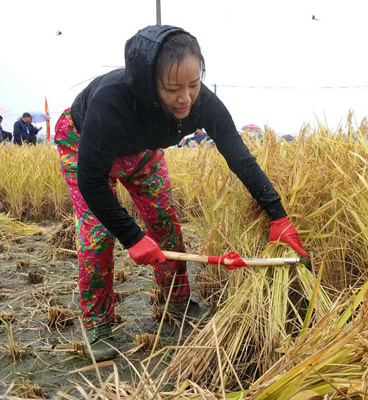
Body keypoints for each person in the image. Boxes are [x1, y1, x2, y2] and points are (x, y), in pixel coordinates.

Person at [54, 25, 306, 362]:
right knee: (99, 234)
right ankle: (97, 322)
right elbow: (91, 181)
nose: (186, 98)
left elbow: (239, 156)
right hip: (84, 144)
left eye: (193, 84)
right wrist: (131, 237)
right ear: (147, 83)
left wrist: (278, 215)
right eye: (172, 88)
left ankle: (177, 300)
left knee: (165, 224)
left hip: (142, 153)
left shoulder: (202, 103)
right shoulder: (111, 101)